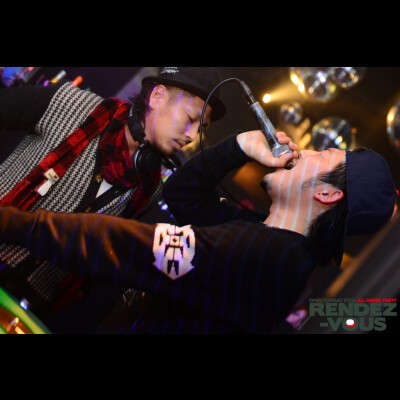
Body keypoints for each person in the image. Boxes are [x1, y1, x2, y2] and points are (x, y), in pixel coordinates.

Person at [0, 128, 396, 333]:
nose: (302, 151)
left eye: (321, 154)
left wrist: (10, 222)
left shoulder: (268, 256)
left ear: (327, 193)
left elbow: (127, 245)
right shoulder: (267, 239)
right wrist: (238, 146)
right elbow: (183, 197)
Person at [0, 67, 226, 333]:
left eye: (201, 128)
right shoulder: (73, 105)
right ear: (157, 96)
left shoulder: (152, 187)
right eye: (191, 118)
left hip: (27, 304)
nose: (192, 136)